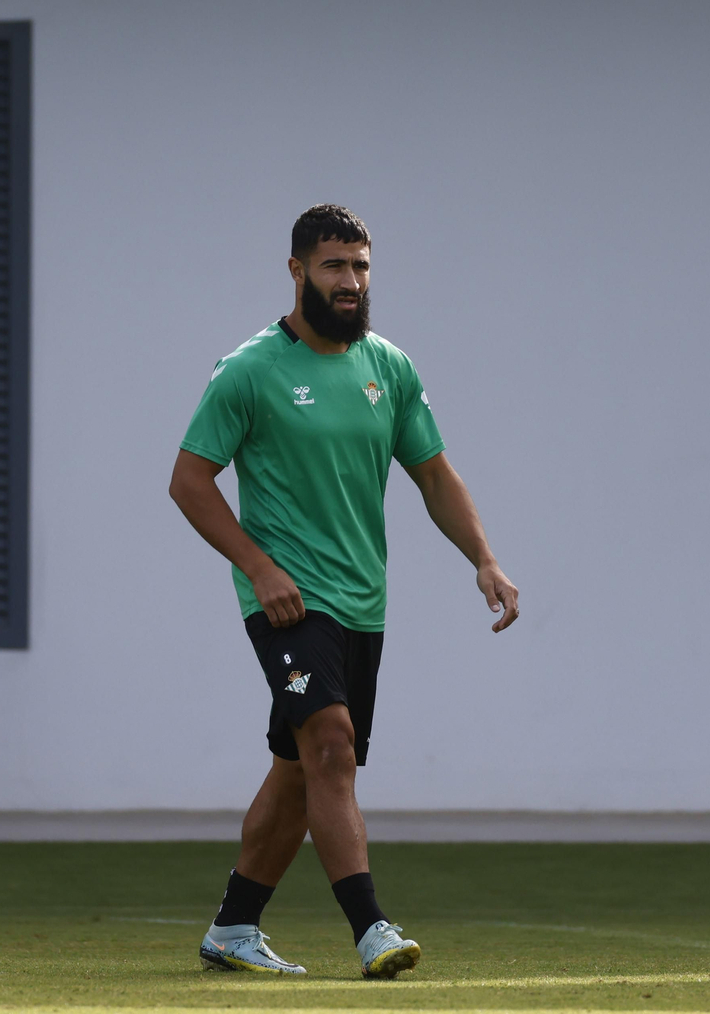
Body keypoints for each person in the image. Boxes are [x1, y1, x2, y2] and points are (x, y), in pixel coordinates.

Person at [169, 205, 520, 978]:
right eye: (335, 266)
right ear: (297, 271)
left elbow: (433, 473)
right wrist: (260, 568)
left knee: (302, 770)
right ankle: (373, 931)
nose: (352, 281)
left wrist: (484, 559)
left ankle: (232, 928)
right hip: (287, 602)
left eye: (361, 266)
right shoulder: (250, 370)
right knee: (332, 746)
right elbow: (189, 482)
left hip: (363, 601)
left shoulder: (388, 368)